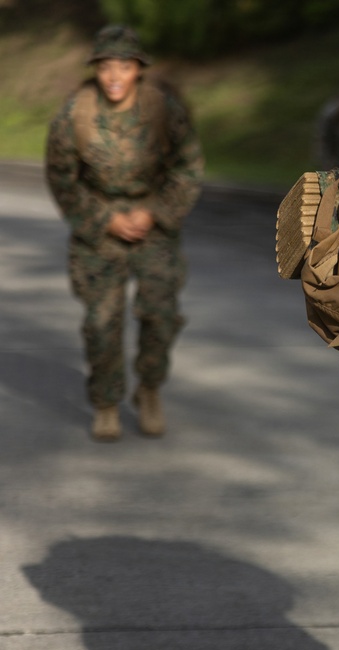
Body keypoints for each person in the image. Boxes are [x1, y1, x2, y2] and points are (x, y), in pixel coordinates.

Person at [45, 25, 203, 442]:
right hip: (98, 226)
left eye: (125, 66)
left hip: (153, 222)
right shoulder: (75, 114)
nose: (114, 76)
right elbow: (61, 179)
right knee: (102, 322)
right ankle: (106, 402)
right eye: (106, 67)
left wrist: (155, 213)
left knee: (161, 316)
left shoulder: (163, 109)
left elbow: (188, 168)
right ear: (96, 70)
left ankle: (148, 389)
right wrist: (105, 220)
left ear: (138, 70)